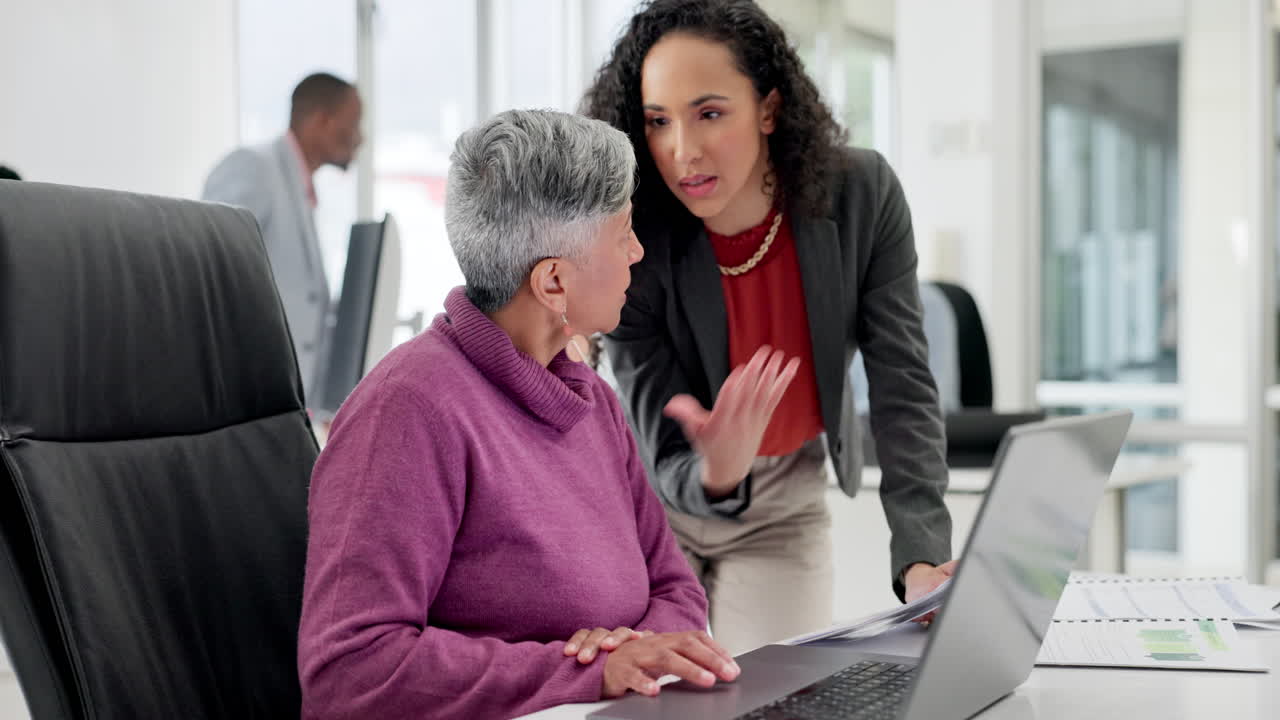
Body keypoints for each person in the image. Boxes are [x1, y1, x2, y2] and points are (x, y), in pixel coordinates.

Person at [297, 109, 750, 720]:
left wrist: (633, 652)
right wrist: (580, 671)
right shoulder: (407, 411)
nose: (638, 252)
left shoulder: (592, 402)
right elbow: (351, 670)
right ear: (554, 283)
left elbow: (674, 586)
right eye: (623, 234)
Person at [582, 0, 955, 654]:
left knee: (782, 698)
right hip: (649, 508)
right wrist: (718, 469)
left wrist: (922, 556)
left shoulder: (861, 195)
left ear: (769, 109)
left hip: (782, 509)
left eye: (710, 113)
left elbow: (903, 388)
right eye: (658, 122)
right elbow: (663, 445)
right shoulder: (631, 234)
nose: (682, 151)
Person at [202, 72, 363, 400]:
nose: (359, 138)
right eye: (354, 123)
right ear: (322, 121)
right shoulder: (254, 167)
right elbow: (210, 268)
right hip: (247, 393)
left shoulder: (297, 184)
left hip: (287, 397)